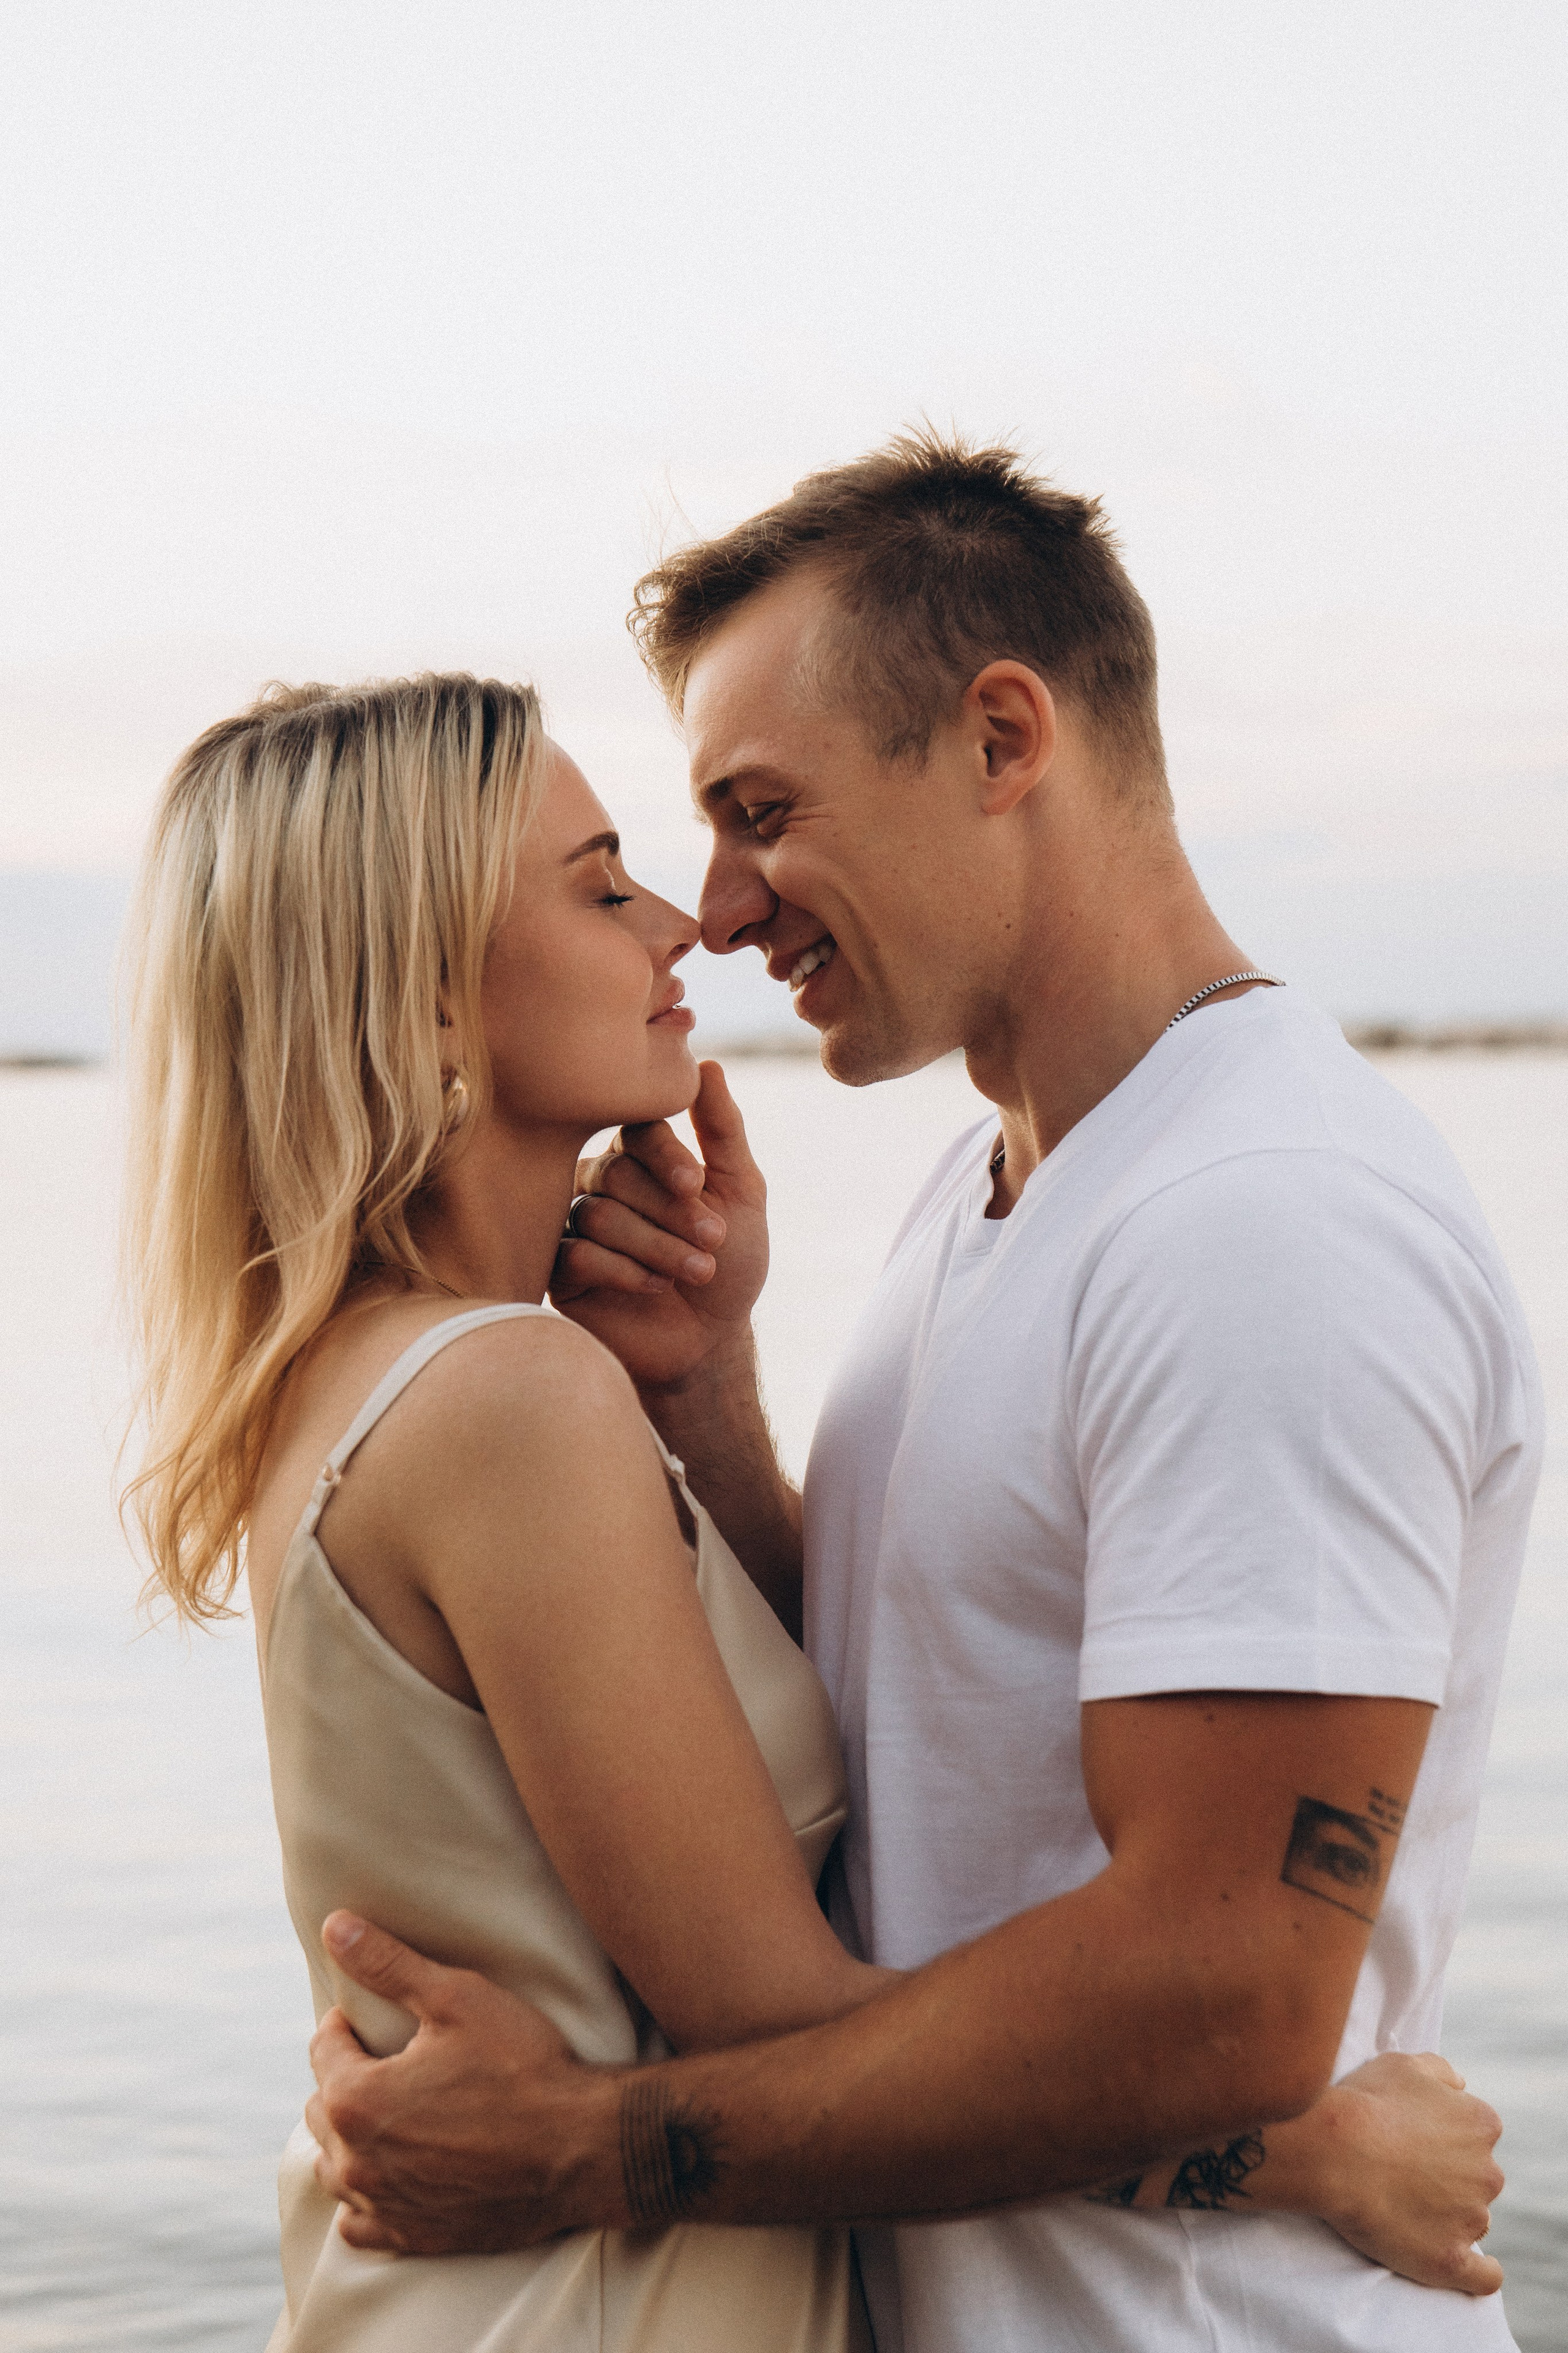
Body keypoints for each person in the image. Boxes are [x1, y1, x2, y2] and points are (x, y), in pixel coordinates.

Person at [302, 439, 1540, 2353]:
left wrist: (592, 2150)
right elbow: (917, 1744)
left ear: (1001, 738)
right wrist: (715, 1405)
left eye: (760, 809)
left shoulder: (1263, 1220)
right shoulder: (985, 1194)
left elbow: (1221, 1992)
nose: (715, 909)